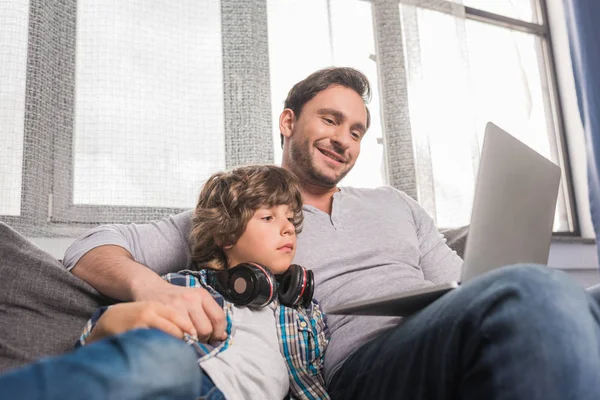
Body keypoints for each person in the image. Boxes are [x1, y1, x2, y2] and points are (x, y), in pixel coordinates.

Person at [63, 67, 600, 399]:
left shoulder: (396, 205)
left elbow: (471, 287)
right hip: (366, 365)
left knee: (566, 297)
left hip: (445, 332)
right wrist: (152, 289)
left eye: (357, 131)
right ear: (288, 122)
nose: (344, 139)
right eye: (330, 120)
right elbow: (89, 249)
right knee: (535, 289)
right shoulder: (247, 210)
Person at [76, 164, 328, 400]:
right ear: (225, 235)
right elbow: (115, 330)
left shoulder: (303, 310)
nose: (288, 228)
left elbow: (310, 381)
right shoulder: (191, 288)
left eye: (290, 218)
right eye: (268, 218)